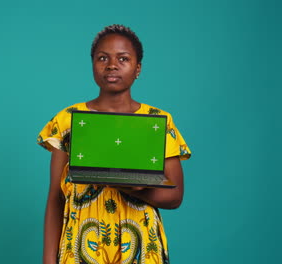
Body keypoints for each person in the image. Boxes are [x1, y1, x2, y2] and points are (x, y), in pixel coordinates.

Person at [37, 24, 191, 264]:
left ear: (137, 68)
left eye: (123, 58)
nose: (111, 65)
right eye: (102, 58)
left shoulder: (157, 122)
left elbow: (175, 196)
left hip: (140, 243)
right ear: (92, 65)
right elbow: (56, 197)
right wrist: (48, 260)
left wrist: (131, 186)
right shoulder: (68, 121)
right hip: (80, 243)